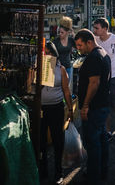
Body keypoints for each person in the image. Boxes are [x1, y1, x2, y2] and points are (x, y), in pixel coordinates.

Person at [75, 29, 111, 185]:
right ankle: (101, 171)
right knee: (101, 139)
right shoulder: (103, 53)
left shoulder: (94, 57)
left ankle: (93, 175)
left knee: (93, 142)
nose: (79, 49)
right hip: (101, 105)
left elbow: (94, 83)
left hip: (95, 107)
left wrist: (85, 105)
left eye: (80, 45)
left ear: (89, 42)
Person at [40, 42, 73, 184]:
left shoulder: (61, 69)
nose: (47, 55)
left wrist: (70, 109)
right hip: (41, 109)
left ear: (54, 54)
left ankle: (59, 171)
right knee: (41, 141)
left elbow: (66, 90)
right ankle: (43, 170)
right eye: (44, 52)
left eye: (49, 52)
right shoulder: (39, 67)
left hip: (56, 107)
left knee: (57, 140)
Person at [93, 18, 115, 142]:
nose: (94, 30)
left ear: (105, 29)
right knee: (105, 106)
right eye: (94, 28)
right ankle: (108, 131)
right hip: (102, 77)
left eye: (97, 28)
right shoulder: (96, 41)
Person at [53, 16, 75, 87]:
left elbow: (78, 46)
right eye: (59, 32)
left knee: (66, 87)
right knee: (59, 87)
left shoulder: (71, 40)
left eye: (62, 32)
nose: (60, 34)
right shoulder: (56, 41)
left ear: (67, 32)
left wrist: (74, 35)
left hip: (68, 66)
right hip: (58, 68)